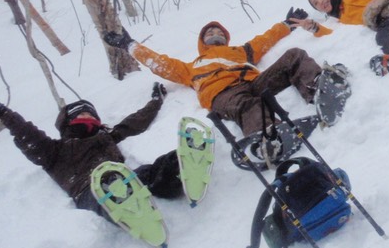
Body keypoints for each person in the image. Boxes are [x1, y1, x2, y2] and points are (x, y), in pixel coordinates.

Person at [103, 13, 349, 156]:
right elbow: (159, 63)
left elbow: (265, 40)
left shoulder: (240, 52)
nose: (213, 33)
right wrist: (130, 45)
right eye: (208, 33)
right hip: (223, 94)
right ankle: (265, 139)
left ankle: (318, 88)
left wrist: (285, 25)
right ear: (203, 41)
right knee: (248, 105)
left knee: (294, 55)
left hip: (255, 82)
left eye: (216, 31)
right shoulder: (191, 67)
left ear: (225, 36)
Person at [0, 87, 184, 219]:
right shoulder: (54, 151)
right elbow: (26, 132)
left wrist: (156, 100)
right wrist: (2, 112)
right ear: (67, 122)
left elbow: (134, 122)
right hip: (91, 192)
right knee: (112, 186)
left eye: (91, 114)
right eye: (81, 114)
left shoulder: (106, 137)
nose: (88, 117)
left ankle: (182, 167)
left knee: (149, 171)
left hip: (125, 180)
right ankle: (129, 210)